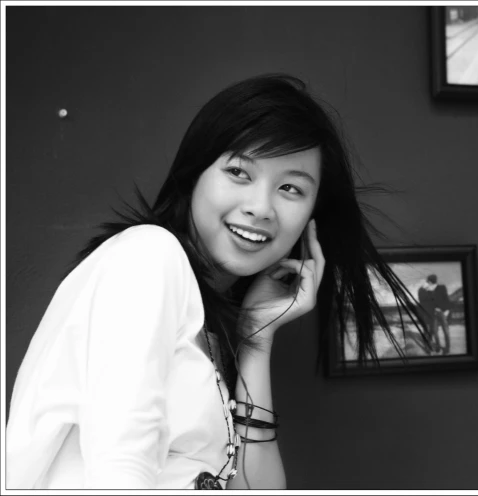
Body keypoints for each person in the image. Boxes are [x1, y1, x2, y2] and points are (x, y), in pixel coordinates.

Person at [5, 74, 424, 489]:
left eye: (291, 188)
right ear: (195, 173)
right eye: (240, 172)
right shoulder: (147, 256)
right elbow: (121, 463)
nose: (261, 207)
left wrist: (256, 340)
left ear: (311, 215)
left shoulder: (209, 326)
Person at [417, 274, 452, 355]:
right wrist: (423, 288)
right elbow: (421, 299)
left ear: (429, 281)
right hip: (432, 313)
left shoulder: (442, 287)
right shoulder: (427, 290)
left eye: (427, 281)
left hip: (442, 312)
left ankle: (447, 348)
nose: (427, 283)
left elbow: (446, 299)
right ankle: (438, 347)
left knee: (446, 331)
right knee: (435, 331)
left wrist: (447, 310)